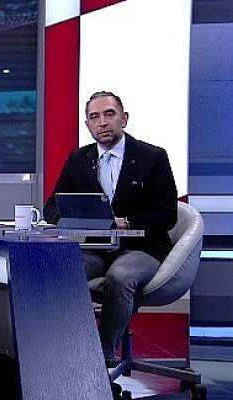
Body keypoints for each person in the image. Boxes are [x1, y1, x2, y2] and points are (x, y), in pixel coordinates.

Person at [44, 91, 178, 364]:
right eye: (94, 117)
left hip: (142, 248)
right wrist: (72, 221)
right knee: (61, 272)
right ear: (87, 125)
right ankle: (61, 350)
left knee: (120, 276)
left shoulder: (152, 157)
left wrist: (127, 222)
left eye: (109, 114)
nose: (102, 122)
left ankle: (102, 355)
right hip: (95, 248)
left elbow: (167, 214)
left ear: (124, 119)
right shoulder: (78, 160)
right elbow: (52, 207)